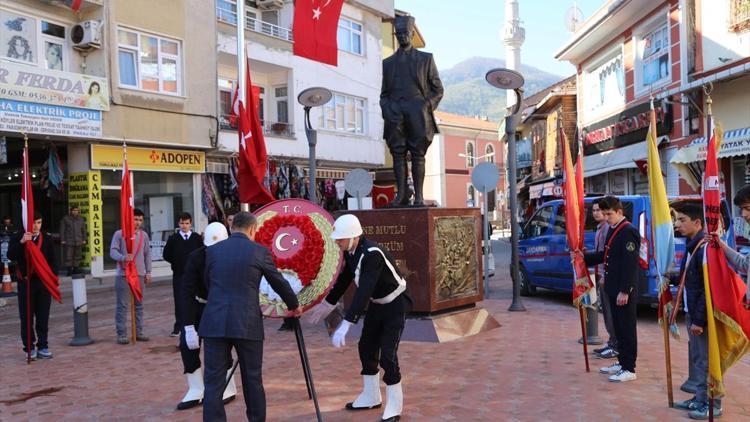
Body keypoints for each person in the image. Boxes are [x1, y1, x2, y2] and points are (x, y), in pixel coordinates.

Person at [307, 214, 412, 422]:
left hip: (395, 305)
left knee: (388, 355)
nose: (337, 242)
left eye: (340, 239)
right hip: (377, 304)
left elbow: (364, 290)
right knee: (366, 347)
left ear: (354, 236)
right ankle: (371, 396)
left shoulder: (372, 254)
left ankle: (395, 404)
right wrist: (328, 304)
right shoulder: (351, 251)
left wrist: (346, 323)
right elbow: (345, 279)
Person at [198, 211, 300, 422]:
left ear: (232, 226)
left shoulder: (213, 251)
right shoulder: (259, 252)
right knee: (252, 379)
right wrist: (294, 305)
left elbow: (208, 282)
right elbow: (278, 281)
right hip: (247, 322)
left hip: (215, 322)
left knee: (213, 383)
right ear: (253, 229)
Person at [380, 15, 443, 207]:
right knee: (397, 154)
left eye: (405, 33)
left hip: (417, 112)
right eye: (398, 34)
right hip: (395, 112)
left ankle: (420, 196)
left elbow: (438, 89)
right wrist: (387, 107)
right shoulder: (388, 63)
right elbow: (384, 93)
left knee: (418, 154)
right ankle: (401, 196)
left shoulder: (426, 59)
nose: (402, 37)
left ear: (412, 33)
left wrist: (425, 105)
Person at [175, 222, 236, 410]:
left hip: (221, 306)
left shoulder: (233, 257)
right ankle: (195, 388)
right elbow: (186, 290)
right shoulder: (196, 257)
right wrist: (187, 326)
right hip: (199, 305)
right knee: (188, 344)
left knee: (222, 346)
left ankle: (229, 386)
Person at [671, 202, 723, 419]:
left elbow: (707, 289)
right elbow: (689, 279)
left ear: (697, 222)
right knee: (697, 359)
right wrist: (669, 278)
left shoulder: (705, 248)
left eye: (682, 220)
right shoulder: (693, 245)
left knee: (707, 359)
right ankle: (700, 398)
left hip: (703, 316)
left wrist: (699, 321)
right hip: (693, 311)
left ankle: (714, 404)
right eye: (676, 219)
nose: (677, 224)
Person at [583, 196, 640, 383]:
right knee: (618, 327)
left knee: (626, 328)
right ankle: (621, 362)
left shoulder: (628, 231)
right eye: (604, 214)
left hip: (623, 290)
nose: (606, 218)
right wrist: (583, 257)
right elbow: (605, 256)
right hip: (612, 287)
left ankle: (629, 368)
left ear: (619, 212)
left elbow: (630, 264)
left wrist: (625, 290)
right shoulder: (614, 230)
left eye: (609, 214)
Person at [8, 212, 57, 359]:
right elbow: (11, 255)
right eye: (33, 223)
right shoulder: (18, 237)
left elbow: (53, 262)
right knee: (27, 317)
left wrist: (53, 282)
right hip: (26, 282)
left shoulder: (47, 239)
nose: (36, 226)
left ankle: (43, 345)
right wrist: (22, 242)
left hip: (42, 283)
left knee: (43, 316)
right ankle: (29, 347)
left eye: (39, 222)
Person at [110, 208, 151, 344]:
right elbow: (112, 252)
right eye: (135, 219)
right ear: (129, 219)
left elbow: (147, 255)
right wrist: (123, 257)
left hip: (139, 274)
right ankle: (122, 334)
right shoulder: (119, 234)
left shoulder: (144, 236)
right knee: (122, 305)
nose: (137, 222)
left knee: (139, 305)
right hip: (123, 274)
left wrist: (148, 272)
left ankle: (138, 331)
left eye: (140, 220)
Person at [163, 212, 203, 337]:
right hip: (179, 275)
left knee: (196, 300)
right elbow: (166, 254)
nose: (184, 226)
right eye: (182, 223)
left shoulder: (196, 238)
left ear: (190, 223)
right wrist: (176, 263)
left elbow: (202, 253)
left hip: (195, 276)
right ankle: (178, 326)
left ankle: (196, 325)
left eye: (186, 223)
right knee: (179, 300)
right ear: (178, 223)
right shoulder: (173, 238)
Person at [590, 199, 617, 360]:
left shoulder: (607, 228)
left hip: (607, 276)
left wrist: (605, 275)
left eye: (599, 210)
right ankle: (612, 342)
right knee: (606, 312)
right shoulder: (600, 228)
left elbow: (607, 255)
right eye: (593, 210)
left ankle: (615, 344)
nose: (596, 213)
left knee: (610, 312)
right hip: (601, 274)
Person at [60, 206, 86, 276]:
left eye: (76, 210)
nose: (75, 212)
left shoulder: (81, 219)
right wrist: (62, 240)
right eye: (74, 210)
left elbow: (83, 230)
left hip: (78, 240)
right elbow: (62, 230)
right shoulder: (65, 219)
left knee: (77, 256)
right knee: (68, 256)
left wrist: (84, 239)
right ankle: (69, 270)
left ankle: (75, 269)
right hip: (69, 241)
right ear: (71, 211)